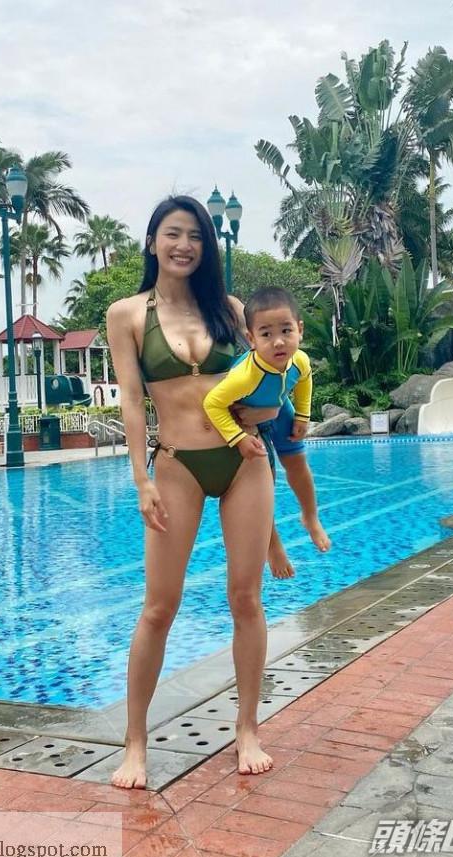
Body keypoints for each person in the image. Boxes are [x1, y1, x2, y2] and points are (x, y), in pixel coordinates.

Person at [106, 195, 275, 790]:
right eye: (174, 234)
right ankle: (134, 742)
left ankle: (247, 728)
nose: (184, 245)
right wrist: (141, 478)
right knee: (159, 606)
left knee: (246, 599)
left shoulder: (230, 309)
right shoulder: (127, 314)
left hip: (245, 463)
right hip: (176, 464)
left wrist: (272, 412)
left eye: (196, 236)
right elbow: (132, 399)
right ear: (152, 241)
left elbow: (267, 380)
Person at [204, 287, 330, 577]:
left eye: (286, 330)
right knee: (264, 481)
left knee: (298, 464)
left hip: (278, 405)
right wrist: (238, 438)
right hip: (247, 418)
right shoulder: (245, 376)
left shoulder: (300, 360)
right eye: (266, 334)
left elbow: (305, 379)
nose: (278, 342)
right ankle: (273, 543)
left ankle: (310, 517)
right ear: (251, 340)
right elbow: (212, 403)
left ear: (300, 330)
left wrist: (303, 416)